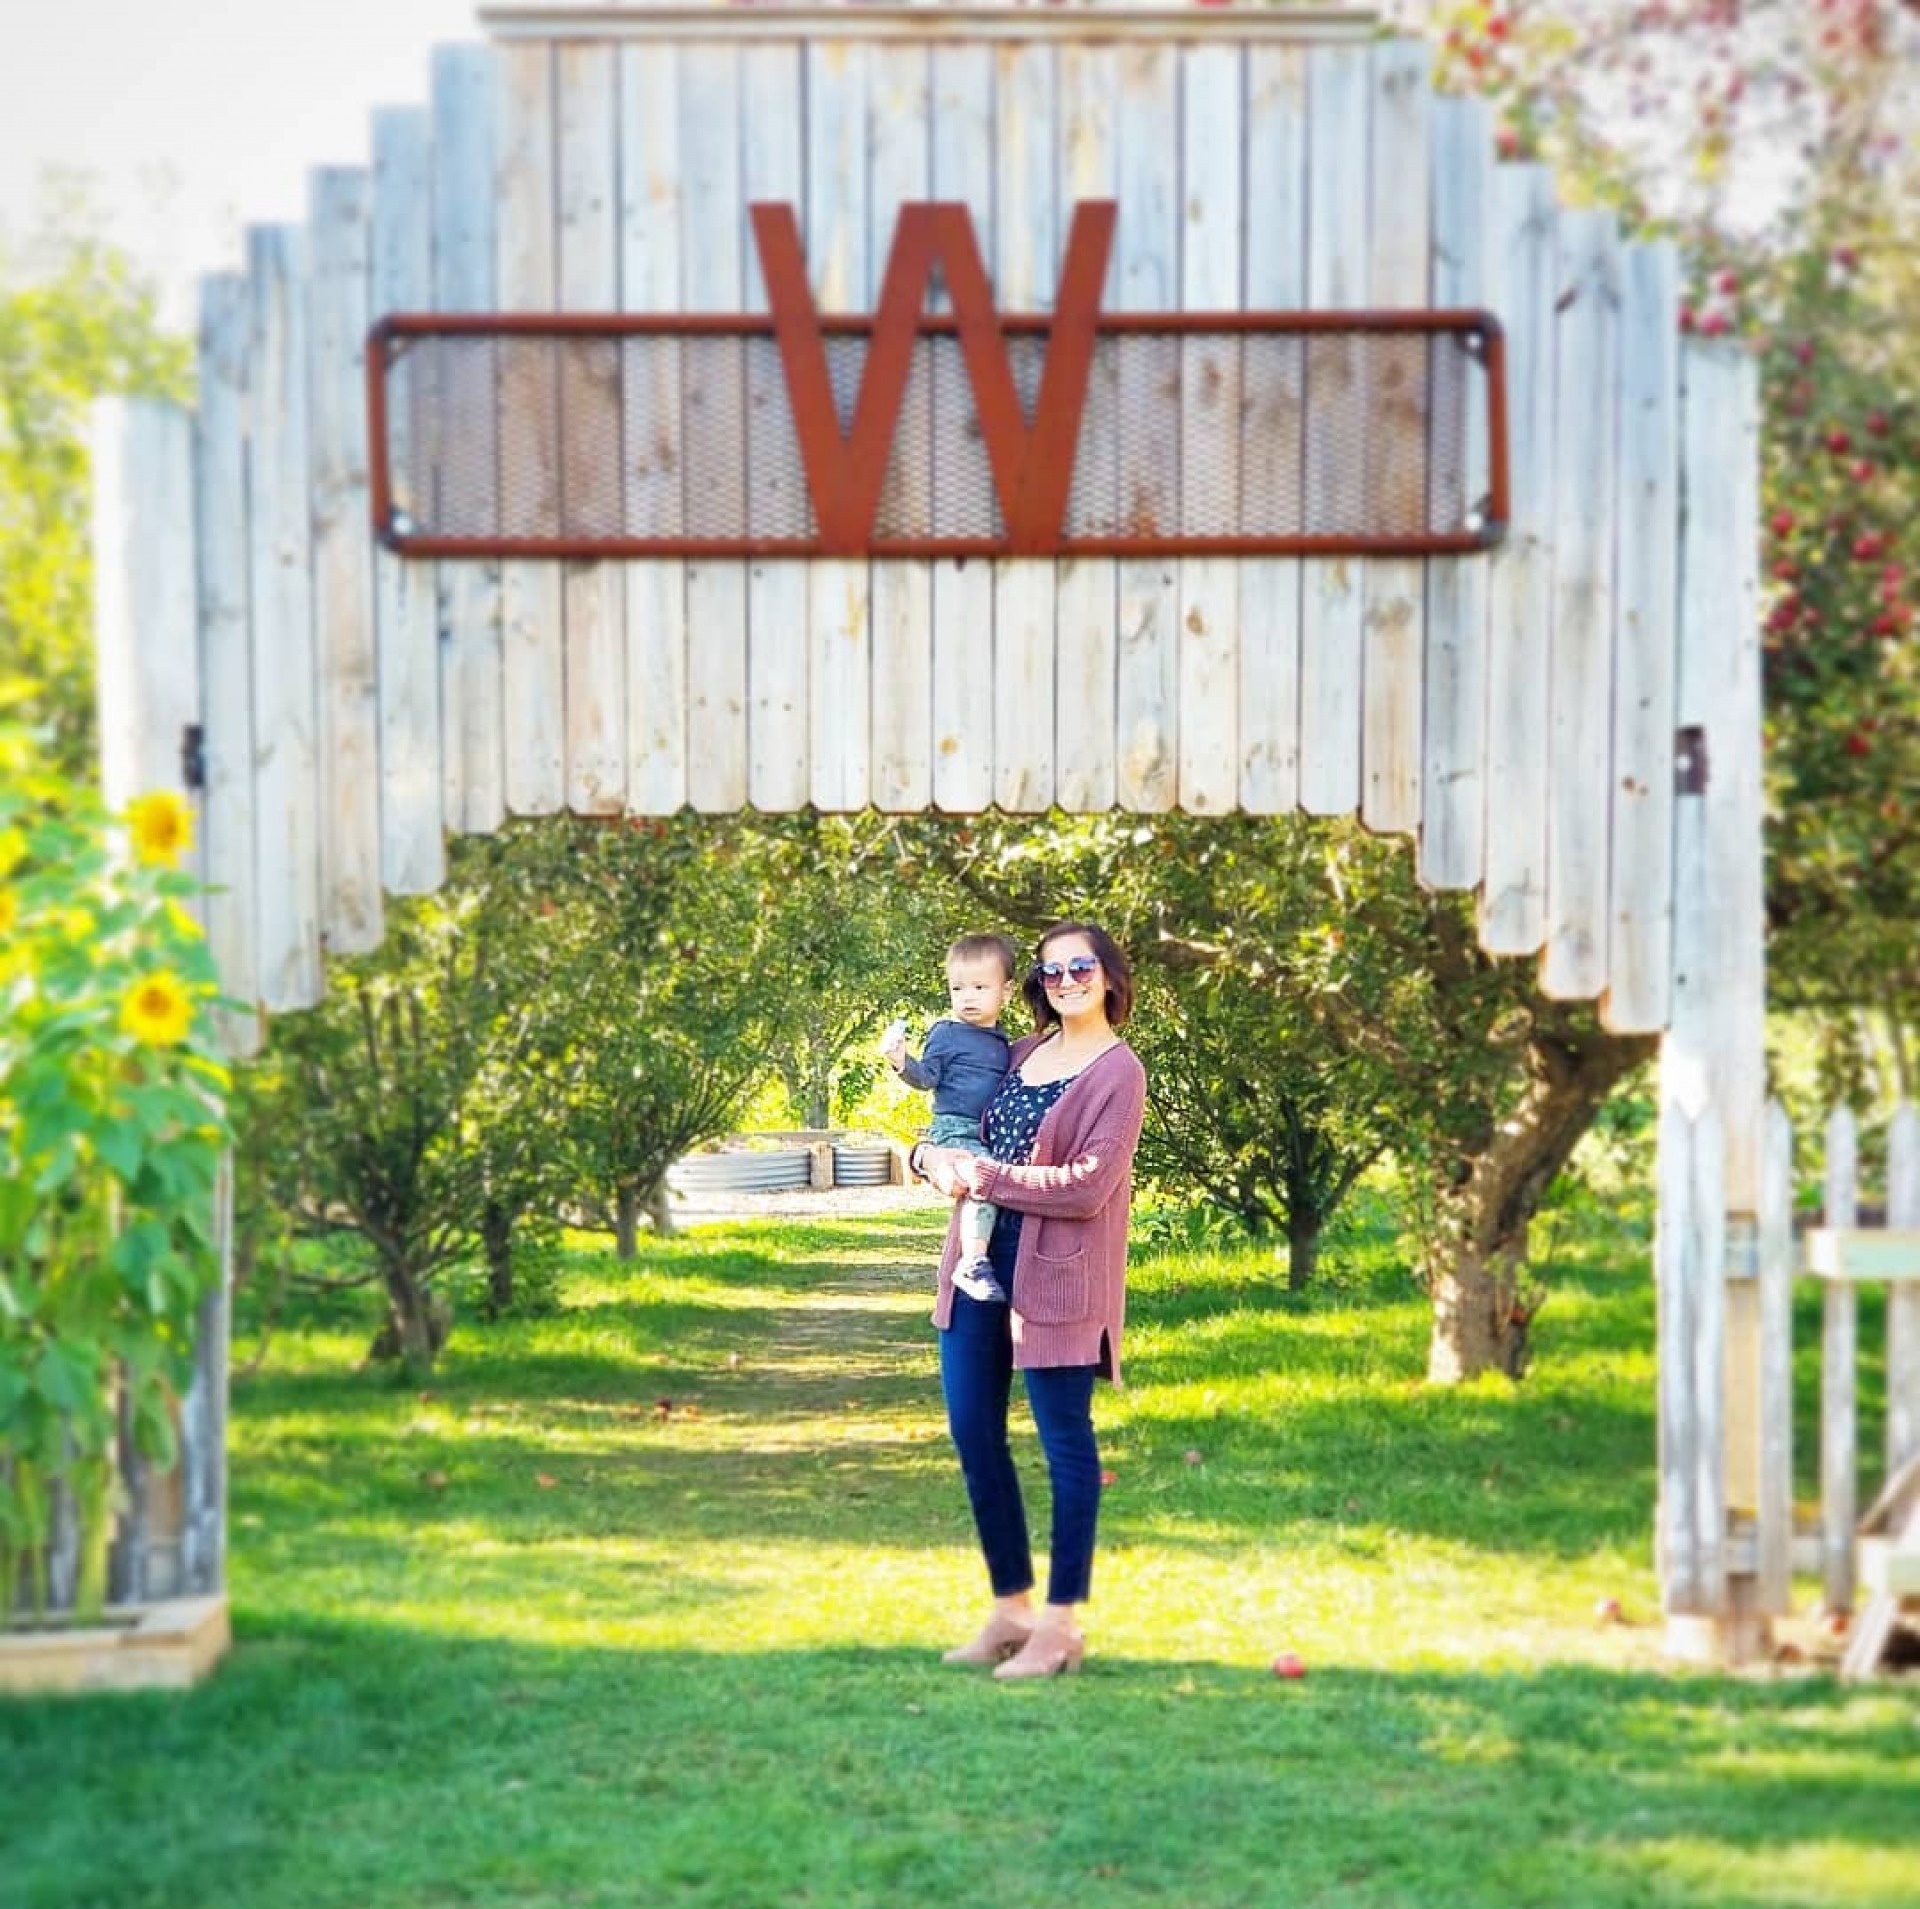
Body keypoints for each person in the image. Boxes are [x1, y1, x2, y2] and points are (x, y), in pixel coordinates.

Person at [910, 921, 1147, 1682]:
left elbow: (1085, 1184)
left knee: (1064, 1441)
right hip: (976, 1263)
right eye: (1050, 970)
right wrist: (923, 1156)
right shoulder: (1018, 1054)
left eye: (1080, 965)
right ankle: (1011, 1608)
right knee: (974, 1432)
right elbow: (955, 1129)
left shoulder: (1119, 1072)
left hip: (1059, 1273)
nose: (1065, 978)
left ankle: (1060, 1624)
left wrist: (982, 1178)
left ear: (1108, 975)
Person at [882, 933, 1018, 1303]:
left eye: (979, 987)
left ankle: (985, 1256)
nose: (968, 997)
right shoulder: (946, 1033)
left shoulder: (1003, 1043)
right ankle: (972, 1261)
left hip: (987, 1132)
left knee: (995, 1177)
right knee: (983, 1177)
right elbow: (926, 1077)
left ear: (1005, 993)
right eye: (958, 988)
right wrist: (900, 1061)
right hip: (955, 1128)